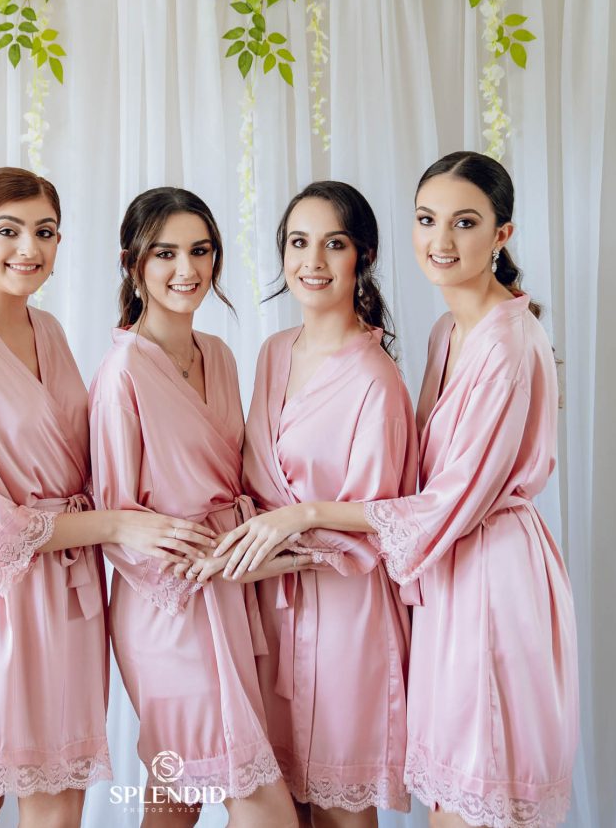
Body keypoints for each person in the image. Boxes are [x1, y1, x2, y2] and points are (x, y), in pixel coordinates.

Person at [215, 153, 578, 828]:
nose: (441, 239)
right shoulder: (449, 330)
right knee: (446, 791)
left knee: (474, 794)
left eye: (465, 222)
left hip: (490, 573)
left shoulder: (504, 344)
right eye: (427, 219)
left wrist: (305, 514)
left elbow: (450, 497)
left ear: (502, 234)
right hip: (447, 573)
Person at [0, 168, 216, 828]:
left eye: (44, 232)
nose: (29, 248)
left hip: (68, 592)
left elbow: (90, 458)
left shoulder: (48, 331)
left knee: (59, 805)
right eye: (8, 231)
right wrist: (119, 525)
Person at [89, 186, 296, 827]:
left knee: (175, 799)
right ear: (133, 264)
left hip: (231, 593)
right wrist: (195, 567)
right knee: (262, 807)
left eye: (201, 251)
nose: (188, 269)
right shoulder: (121, 373)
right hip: (167, 608)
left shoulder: (221, 355)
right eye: (166, 254)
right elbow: (116, 518)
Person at [226, 181, 418, 825]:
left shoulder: (376, 380)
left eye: (333, 244)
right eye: (298, 242)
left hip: (345, 611)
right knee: (284, 802)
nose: (312, 261)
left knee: (340, 806)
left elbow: (385, 517)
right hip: (269, 604)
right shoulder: (273, 352)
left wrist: (298, 519)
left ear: (363, 256)